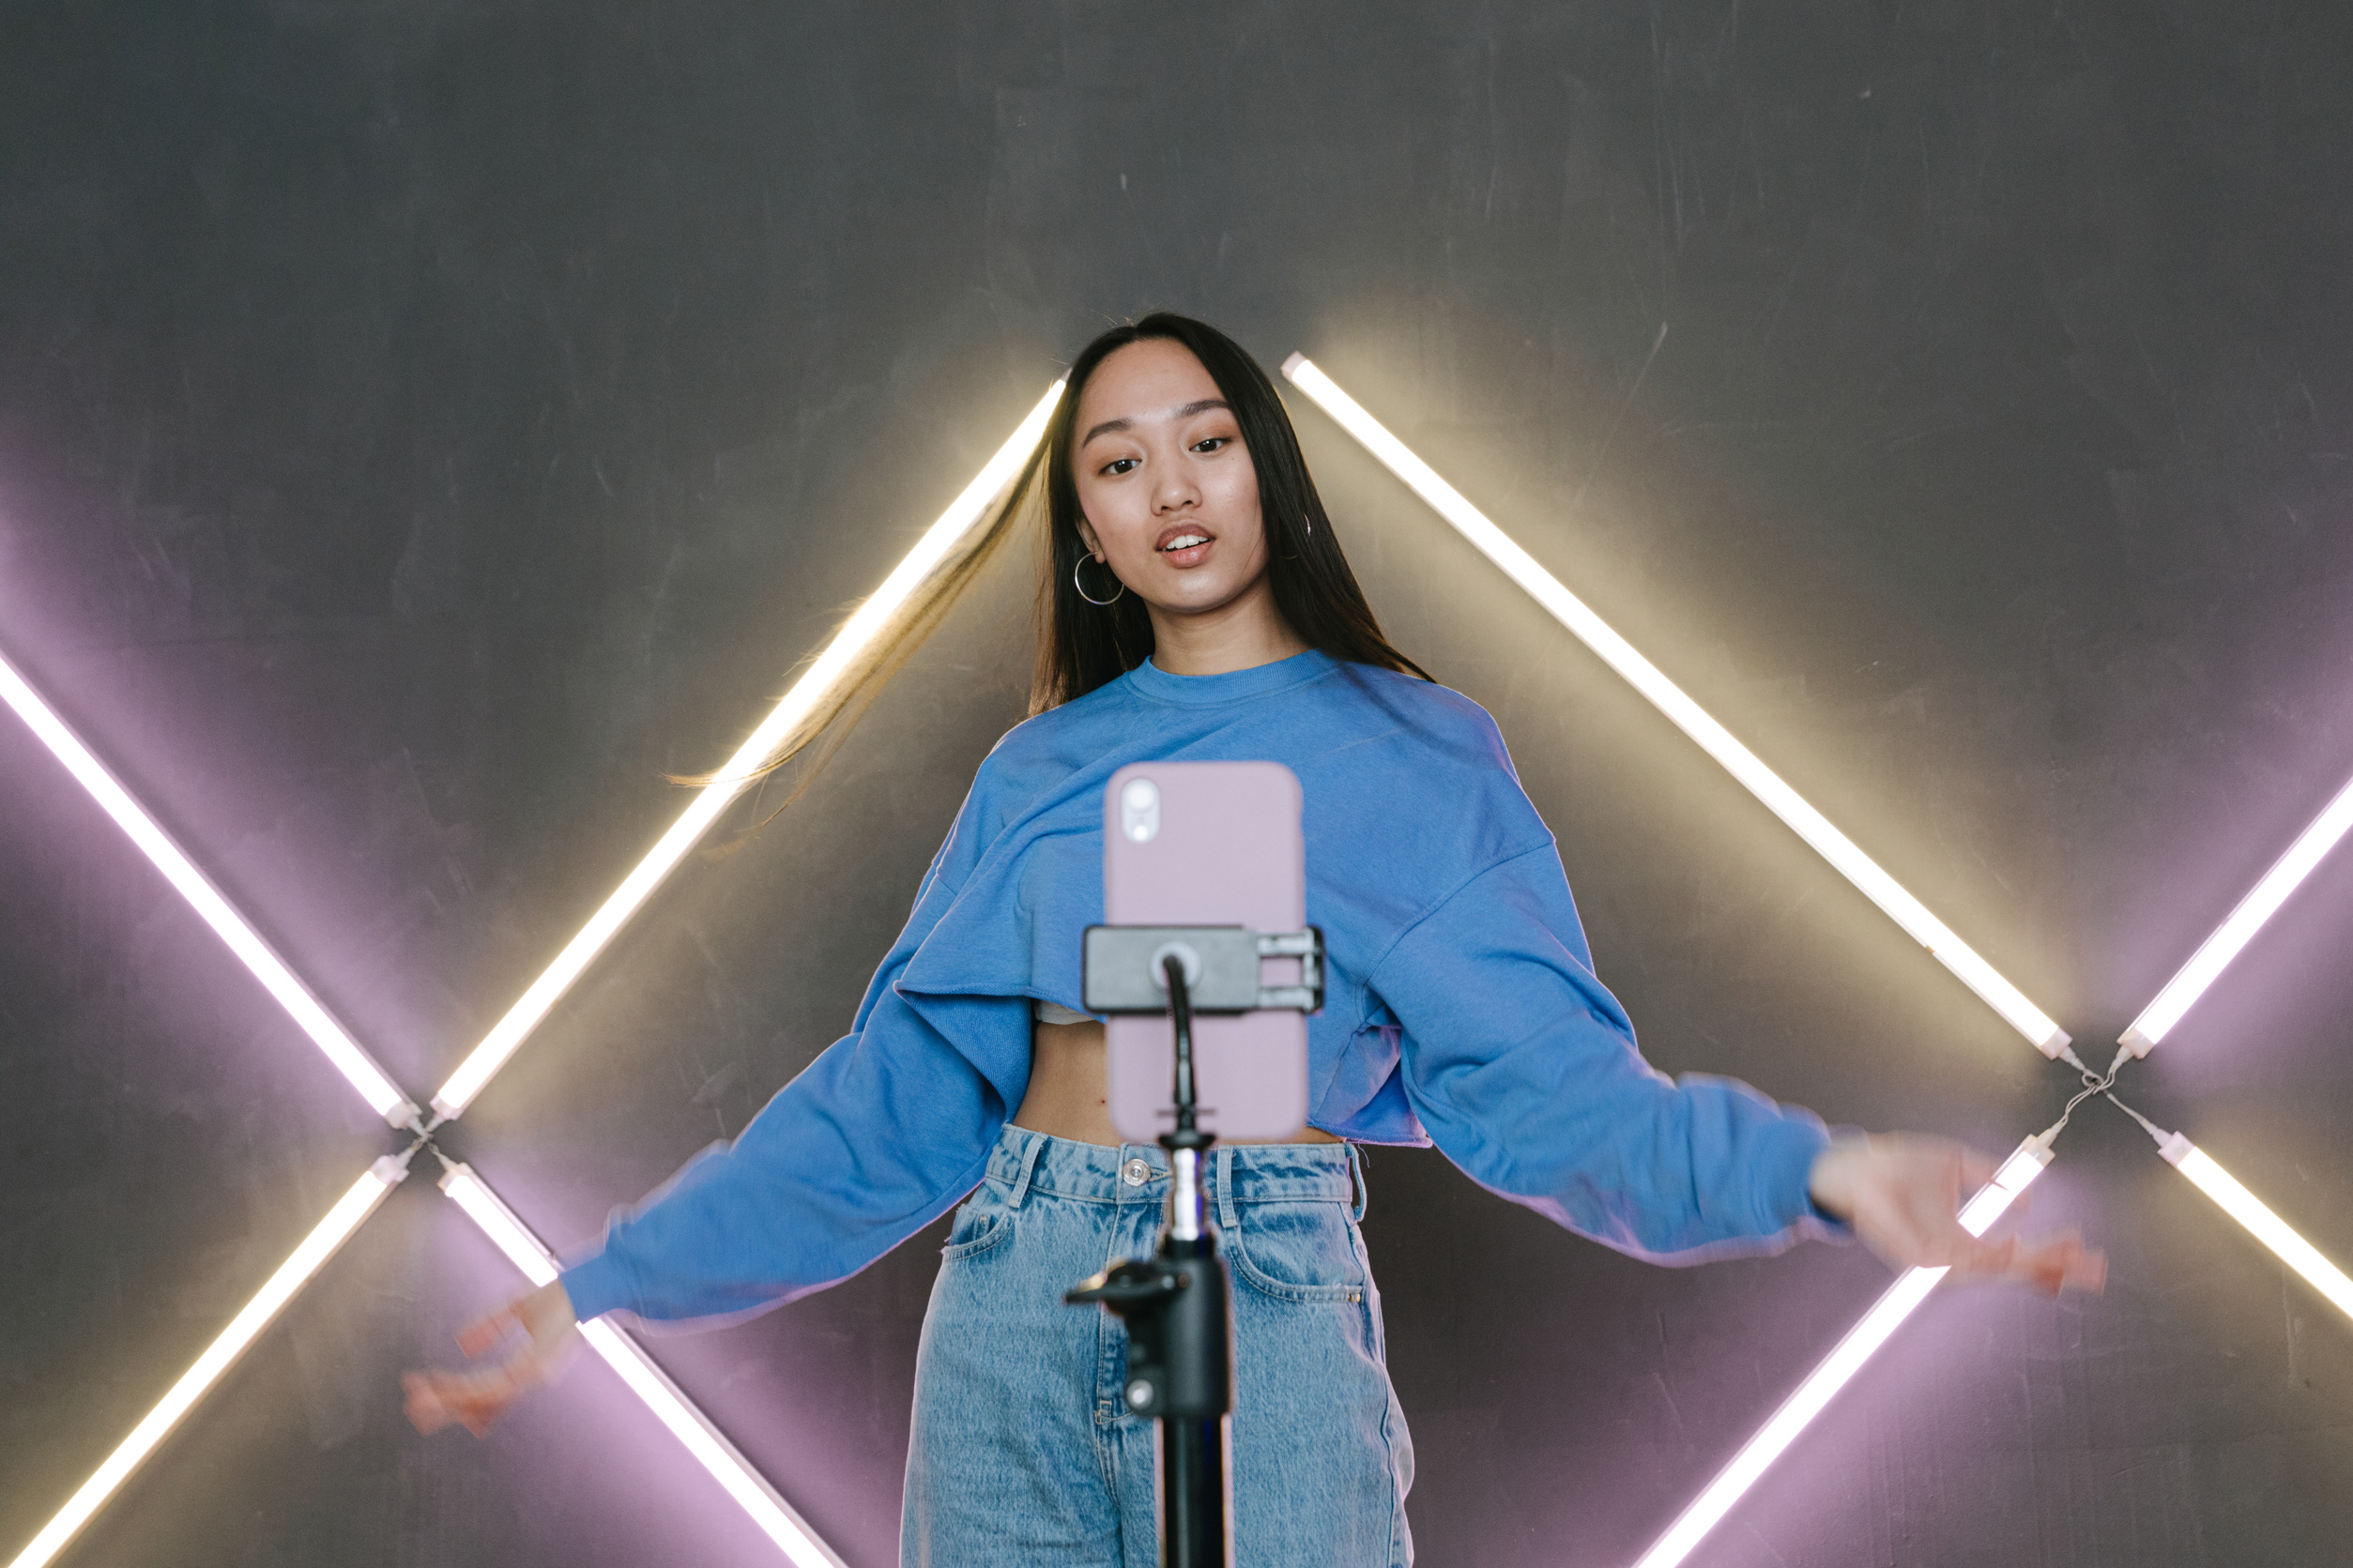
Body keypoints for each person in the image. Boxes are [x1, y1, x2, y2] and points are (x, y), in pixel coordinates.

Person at [405, 313, 2102, 1566]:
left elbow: (1565, 1106)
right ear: (1087, 529)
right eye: (1118, 463)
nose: (1171, 488)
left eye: (1205, 439)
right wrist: (604, 1281)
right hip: (1017, 1285)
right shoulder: (1040, 771)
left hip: (1260, 1284)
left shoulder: (1416, 756)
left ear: (1267, 470)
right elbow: (888, 1112)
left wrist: (1820, 1174)